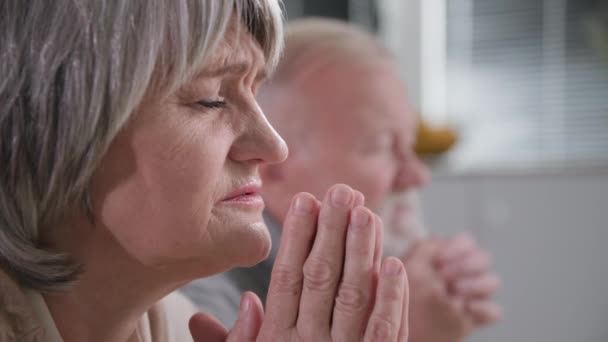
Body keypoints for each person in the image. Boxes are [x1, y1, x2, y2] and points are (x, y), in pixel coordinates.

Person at [0, 3, 409, 342]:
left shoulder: (179, 325)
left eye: (254, 91)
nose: (273, 146)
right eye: (211, 100)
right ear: (51, 125)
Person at [183, 17, 502, 342]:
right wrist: (403, 328)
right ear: (272, 165)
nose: (417, 175)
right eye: (380, 145)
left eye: (410, 145)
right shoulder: (200, 297)